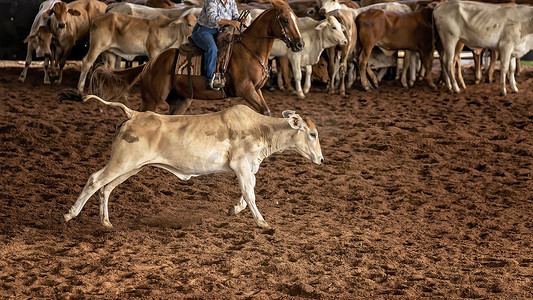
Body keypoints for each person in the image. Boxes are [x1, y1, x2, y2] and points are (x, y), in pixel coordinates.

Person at [191, 0, 242, 90]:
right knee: (212, 48)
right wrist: (231, 22)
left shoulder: (231, 1)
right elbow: (212, 18)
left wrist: (240, 19)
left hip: (220, 31)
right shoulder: (211, 1)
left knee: (231, 46)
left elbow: (235, 16)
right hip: (203, 30)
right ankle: (210, 78)